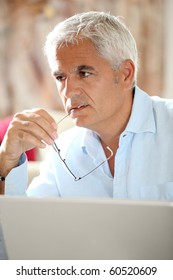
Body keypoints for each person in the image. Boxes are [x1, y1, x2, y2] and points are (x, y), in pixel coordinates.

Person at [0, 11, 173, 200]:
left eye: (84, 73)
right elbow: (24, 224)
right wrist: (7, 160)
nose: (68, 92)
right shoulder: (63, 151)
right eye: (60, 77)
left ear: (125, 74)